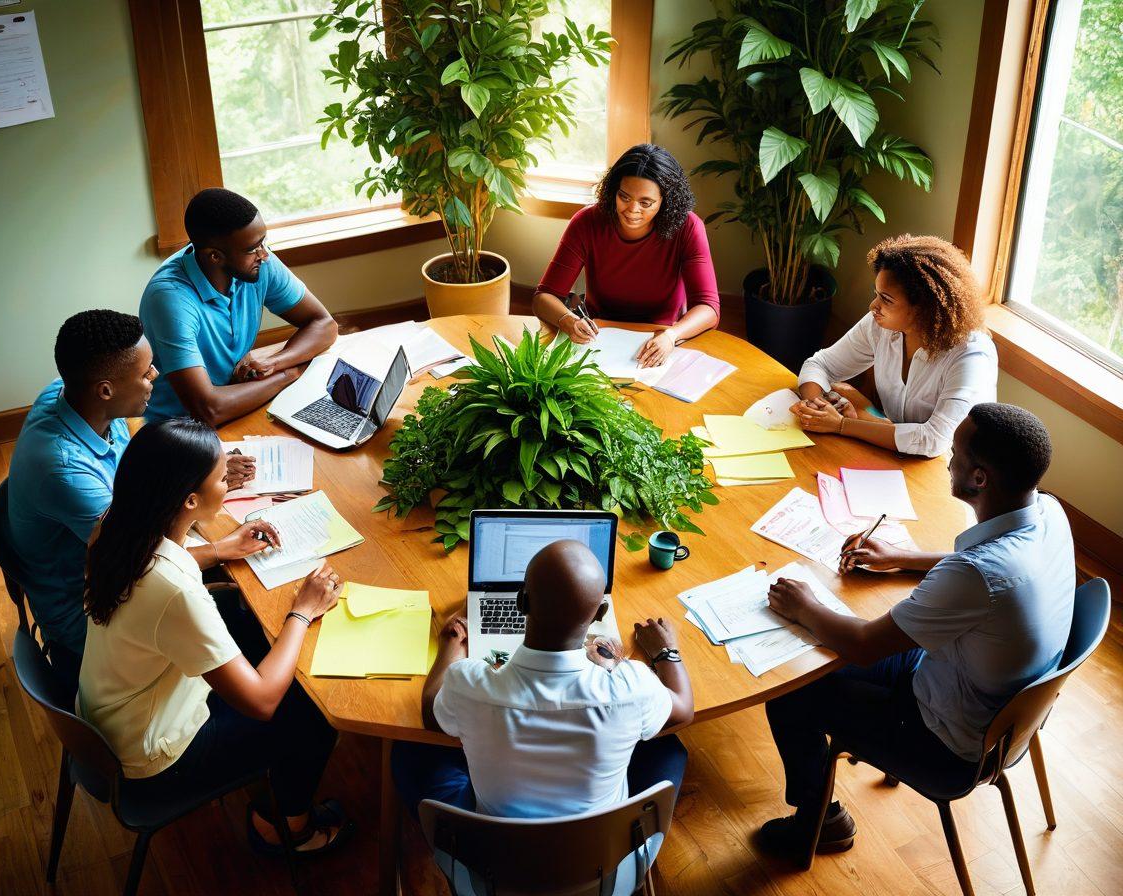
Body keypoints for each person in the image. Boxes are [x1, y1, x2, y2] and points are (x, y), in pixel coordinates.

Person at [757, 403, 1074, 862]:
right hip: (997, 709)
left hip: (946, 745)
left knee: (791, 685)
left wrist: (804, 605)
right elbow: (987, 575)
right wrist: (902, 558)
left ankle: (819, 821)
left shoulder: (977, 576)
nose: (949, 457)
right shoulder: (1049, 512)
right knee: (837, 651)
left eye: (957, 452)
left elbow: (863, 646)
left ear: (980, 477)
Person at [78, 418, 353, 856]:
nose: (229, 483)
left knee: (241, 620)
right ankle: (284, 828)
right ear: (190, 499)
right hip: (157, 757)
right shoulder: (174, 592)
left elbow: (163, 570)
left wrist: (222, 548)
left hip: (116, 710)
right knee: (309, 709)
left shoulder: (113, 525)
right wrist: (302, 610)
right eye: (223, 478)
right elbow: (261, 702)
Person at [6, 311, 262, 686]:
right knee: (249, 620)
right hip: (93, 613)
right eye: (145, 373)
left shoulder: (73, 396)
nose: (155, 375)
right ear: (105, 389)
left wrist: (206, 471)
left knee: (238, 604)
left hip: (109, 562)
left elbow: (134, 476)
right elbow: (137, 561)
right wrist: (221, 548)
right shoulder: (64, 473)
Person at [392, 539, 693, 820]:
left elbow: (432, 710)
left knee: (406, 745)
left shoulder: (469, 686)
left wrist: (450, 643)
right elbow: (683, 709)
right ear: (600, 612)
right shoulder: (633, 687)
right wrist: (667, 652)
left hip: (489, 861)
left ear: (521, 602)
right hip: (605, 867)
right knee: (668, 746)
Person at [140, 188, 338, 425]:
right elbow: (208, 409)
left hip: (242, 399)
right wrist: (288, 373)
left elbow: (325, 325)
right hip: (182, 429)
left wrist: (274, 362)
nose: (264, 254)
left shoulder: (257, 262)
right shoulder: (170, 299)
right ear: (215, 256)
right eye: (253, 248)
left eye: (263, 242)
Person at [791, 234, 997, 457]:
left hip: (953, 475)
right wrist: (816, 406)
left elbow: (934, 440)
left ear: (926, 308)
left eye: (886, 300)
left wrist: (841, 425)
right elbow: (820, 364)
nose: (873, 306)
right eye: (876, 294)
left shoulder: (971, 355)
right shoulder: (879, 325)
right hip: (894, 455)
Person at [531, 144, 720, 368]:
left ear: (666, 202)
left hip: (661, 337)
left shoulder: (688, 227)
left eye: (646, 203)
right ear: (613, 191)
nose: (632, 210)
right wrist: (569, 321)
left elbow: (709, 308)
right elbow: (543, 298)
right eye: (624, 197)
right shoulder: (586, 222)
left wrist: (672, 336)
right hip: (599, 335)